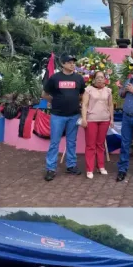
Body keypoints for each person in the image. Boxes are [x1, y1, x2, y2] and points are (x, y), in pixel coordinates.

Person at [43, 54, 86, 182]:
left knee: (71, 142)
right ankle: (51, 168)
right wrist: (55, 100)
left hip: (74, 115)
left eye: (73, 62)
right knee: (54, 143)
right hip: (57, 116)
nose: (72, 64)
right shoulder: (55, 78)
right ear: (63, 64)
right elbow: (44, 94)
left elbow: (82, 94)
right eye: (69, 62)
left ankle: (71, 166)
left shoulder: (79, 78)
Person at [80, 71, 115, 179]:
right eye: (98, 77)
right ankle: (89, 169)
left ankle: (101, 166)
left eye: (102, 77)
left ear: (105, 79)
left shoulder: (108, 91)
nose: (100, 79)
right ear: (94, 79)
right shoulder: (88, 90)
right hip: (91, 120)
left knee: (100, 144)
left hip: (104, 120)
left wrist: (112, 119)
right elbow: (84, 105)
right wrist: (84, 118)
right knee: (91, 145)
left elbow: (110, 105)